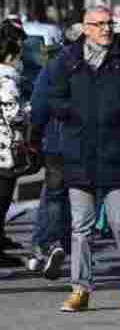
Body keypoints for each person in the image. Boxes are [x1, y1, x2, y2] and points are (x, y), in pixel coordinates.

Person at [50, 6, 120, 313]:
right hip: (79, 152)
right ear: (85, 28)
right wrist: (69, 113)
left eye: (110, 23)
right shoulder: (68, 60)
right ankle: (80, 289)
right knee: (81, 227)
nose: (106, 29)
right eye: (99, 24)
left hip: (116, 152)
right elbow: (53, 97)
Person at [28, 26, 77, 279]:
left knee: (55, 194)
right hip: (87, 141)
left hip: (56, 140)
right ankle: (70, 246)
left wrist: (34, 135)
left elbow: (38, 105)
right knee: (81, 195)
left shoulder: (55, 67)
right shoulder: (94, 67)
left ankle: (53, 243)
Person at [0, 23, 31, 266]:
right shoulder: (6, 78)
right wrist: (29, 110)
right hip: (5, 149)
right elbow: (14, 115)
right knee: (2, 198)